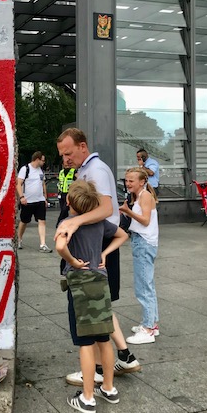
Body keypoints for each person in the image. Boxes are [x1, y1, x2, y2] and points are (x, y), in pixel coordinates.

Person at [56, 128, 141, 379]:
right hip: (101, 243)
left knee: (90, 307)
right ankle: (123, 356)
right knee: (100, 305)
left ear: (83, 146)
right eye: (62, 155)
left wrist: (75, 221)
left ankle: (96, 370)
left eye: (69, 153)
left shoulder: (96, 170)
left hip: (97, 244)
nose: (65, 159)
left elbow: (106, 209)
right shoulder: (87, 169)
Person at [56, 180, 129, 413]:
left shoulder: (68, 222)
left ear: (68, 201)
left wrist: (72, 261)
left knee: (85, 343)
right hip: (101, 281)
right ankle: (108, 387)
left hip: (80, 285)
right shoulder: (99, 223)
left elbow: (60, 246)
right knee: (103, 338)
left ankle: (87, 398)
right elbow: (122, 235)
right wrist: (104, 254)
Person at [120, 167, 160, 344]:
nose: (128, 183)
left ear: (142, 182)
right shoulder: (140, 196)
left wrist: (127, 211)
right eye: (126, 180)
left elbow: (145, 220)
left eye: (131, 180)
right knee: (146, 285)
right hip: (142, 241)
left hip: (143, 243)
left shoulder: (144, 196)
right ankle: (151, 324)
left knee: (144, 287)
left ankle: (148, 329)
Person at [17, 151, 52, 253]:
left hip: (40, 200)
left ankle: (43, 244)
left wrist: (45, 198)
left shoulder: (40, 170)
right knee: (24, 221)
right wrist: (21, 197)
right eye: (43, 160)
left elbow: (43, 183)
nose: (44, 162)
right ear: (37, 159)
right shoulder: (25, 169)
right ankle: (19, 239)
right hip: (28, 201)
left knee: (42, 221)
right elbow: (18, 183)